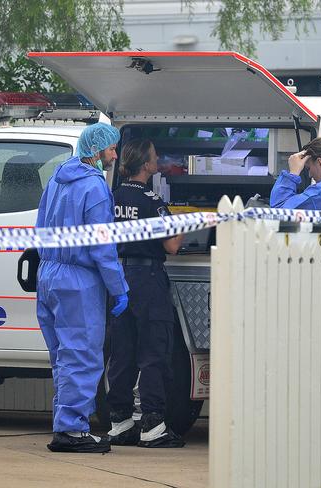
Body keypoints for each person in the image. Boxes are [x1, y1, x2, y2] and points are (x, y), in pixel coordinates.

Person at [36, 122, 129, 454]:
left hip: (49, 275)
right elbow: (102, 246)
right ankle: (71, 431)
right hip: (79, 281)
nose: (115, 154)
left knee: (62, 356)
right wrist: (118, 288)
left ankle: (66, 424)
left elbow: (40, 227)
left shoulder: (57, 179)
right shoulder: (94, 186)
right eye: (111, 149)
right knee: (82, 357)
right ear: (97, 150)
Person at [105, 138, 186, 448]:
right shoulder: (153, 201)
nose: (158, 160)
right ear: (146, 165)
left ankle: (120, 421)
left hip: (118, 278)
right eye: (155, 156)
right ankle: (153, 424)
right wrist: (182, 222)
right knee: (153, 351)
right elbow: (172, 246)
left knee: (121, 351)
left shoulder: (112, 196)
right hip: (148, 279)